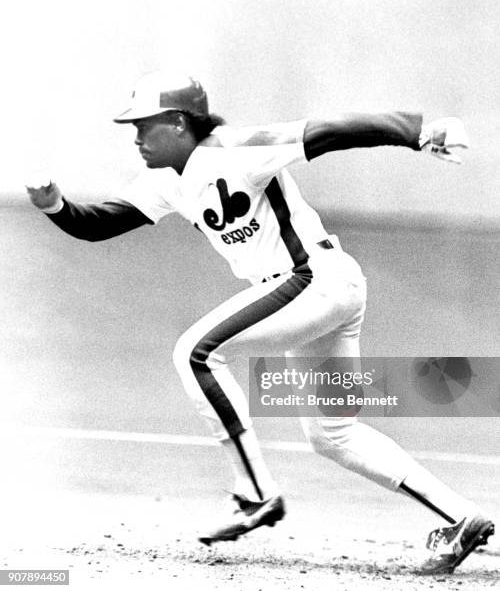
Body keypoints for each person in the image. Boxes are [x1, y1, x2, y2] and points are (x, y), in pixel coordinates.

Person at [26, 71, 494, 574]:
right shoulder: (165, 180)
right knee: (333, 434)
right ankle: (462, 516)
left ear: (180, 123)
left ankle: (254, 493)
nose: (136, 137)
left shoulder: (234, 149)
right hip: (323, 293)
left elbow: (330, 130)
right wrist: (53, 203)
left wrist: (417, 131)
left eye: (145, 125)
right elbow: (100, 223)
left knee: (194, 352)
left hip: (312, 279)